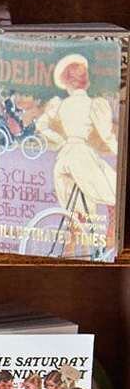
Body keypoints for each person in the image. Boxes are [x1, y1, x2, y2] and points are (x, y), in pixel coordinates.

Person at [35, 53, 118, 251]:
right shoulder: (94, 104)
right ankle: (110, 237)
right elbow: (106, 135)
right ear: (86, 81)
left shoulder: (61, 104)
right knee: (114, 192)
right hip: (81, 157)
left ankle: (70, 248)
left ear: (66, 83)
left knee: (76, 212)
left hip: (64, 158)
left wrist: (60, 140)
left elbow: (41, 125)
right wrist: (119, 152)